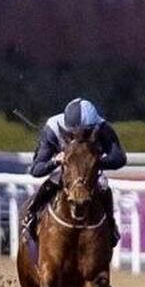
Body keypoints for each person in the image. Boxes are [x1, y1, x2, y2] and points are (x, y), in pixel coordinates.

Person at [22, 98, 127, 245]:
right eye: (76, 133)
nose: (82, 137)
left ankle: (110, 223)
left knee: (103, 183)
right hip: (63, 168)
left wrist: (93, 163)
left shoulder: (102, 127)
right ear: (68, 129)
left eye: (88, 132)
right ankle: (31, 214)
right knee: (55, 178)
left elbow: (119, 158)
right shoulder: (52, 129)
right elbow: (36, 169)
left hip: (88, 172)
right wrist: (55, 161)